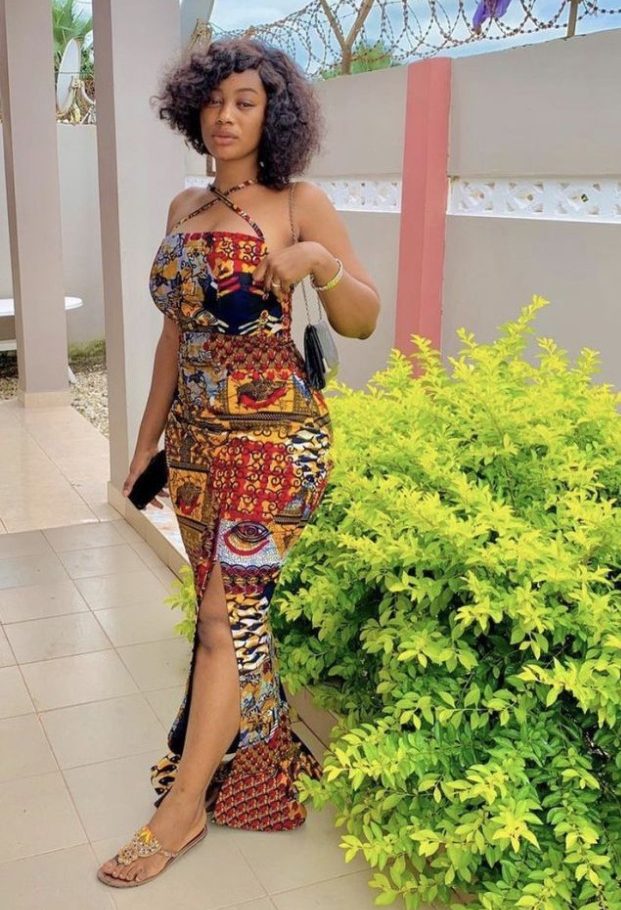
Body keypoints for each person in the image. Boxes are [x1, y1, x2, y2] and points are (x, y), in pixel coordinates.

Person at [97, 36, 380, 889]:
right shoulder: (184, 206)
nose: (225, 116)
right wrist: (144, 443)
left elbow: (362, 318)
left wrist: (320, 263)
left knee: (226, 617)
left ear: (272, 115)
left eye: (245, 102)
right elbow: (174, 338)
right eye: (215, 100)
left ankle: (180, 812)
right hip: (194, 444)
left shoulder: (299, 202)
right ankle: (258, 777)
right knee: (232, 619)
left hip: (275, 442)